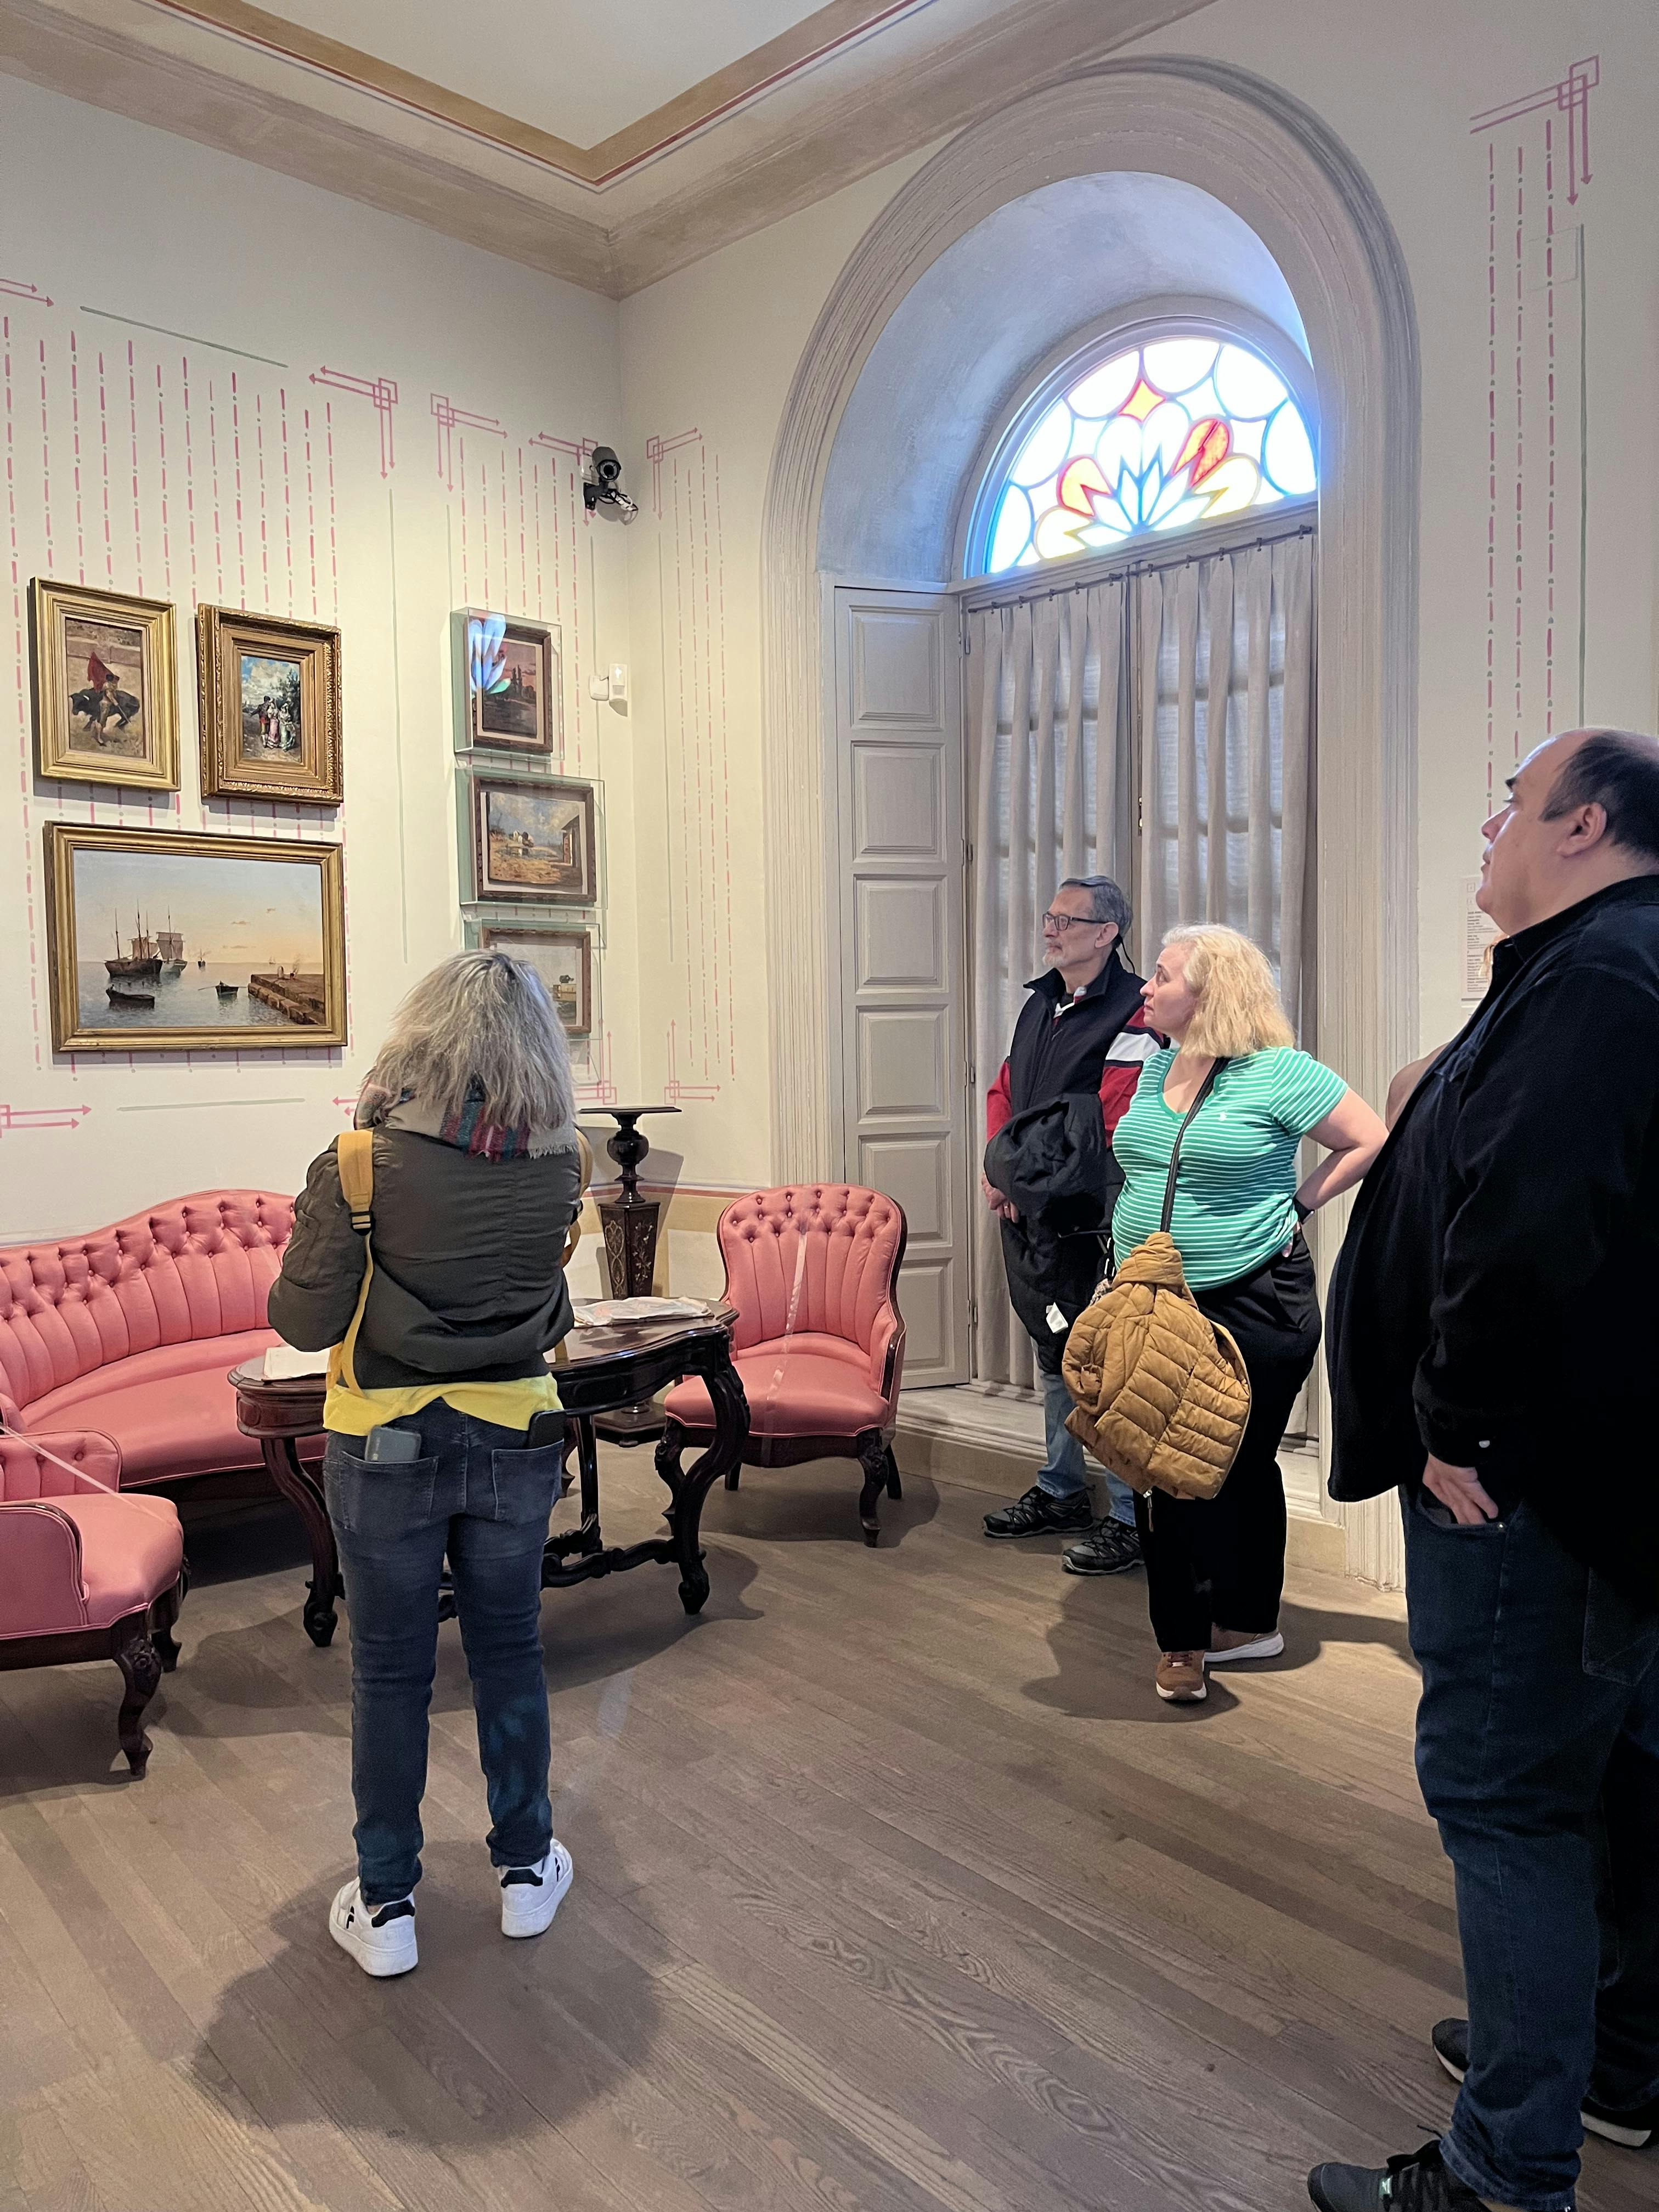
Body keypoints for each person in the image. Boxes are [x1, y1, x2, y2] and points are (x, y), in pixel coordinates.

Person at [1311, 729, 1659, 2212]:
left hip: (1525, 1488)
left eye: (1510, 806)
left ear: (1583, 825)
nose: (1490, 831)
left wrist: (1456, 1425)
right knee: (1615, 1782)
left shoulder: (1600, 977)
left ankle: (1508, 2171)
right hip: (1589, 1478)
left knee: (1509, 1801)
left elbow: (1527, 1226)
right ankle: (1609, 2062)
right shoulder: (1595, 968)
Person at [268, 951, 584, 1979]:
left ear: (424, 1035)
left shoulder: (361, 1162)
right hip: (517, 1435)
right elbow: (550, 1310)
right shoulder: (564, 1163)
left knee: (390, 1670)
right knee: (511, 1653)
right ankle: (527, 1873)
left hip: (384, 1440)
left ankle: (387, 1905)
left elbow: (302, 1319)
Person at [1110, 925, 1386, 1703]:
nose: (1146, 988)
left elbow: (1369, 1138)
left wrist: (1299, 1204)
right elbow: (1144, 1169)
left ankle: (1240, 1622)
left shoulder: (1280, 1072)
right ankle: (1194, 1633)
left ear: (1210, 993)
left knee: (1232, 1461)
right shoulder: (1157, 1065)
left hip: (1257, 1300)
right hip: (1155, 1297)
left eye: (1161, 976)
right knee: (1166, 1461)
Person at [980, 874, 1157, 1573]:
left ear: (1107, 933)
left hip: (1091, 1217)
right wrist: (1001, 1172)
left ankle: (1130, 1516)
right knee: (1052, 1350)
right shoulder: (1040, 1003)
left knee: (1108, 1362)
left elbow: (1115, 1123)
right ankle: (1062, 1490)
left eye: (1066, 920)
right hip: (1030, 1211)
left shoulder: (1135, 1010)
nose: (1050, 929)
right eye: (1049, 917)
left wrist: (1025, 1181)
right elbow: (1005, 1089)